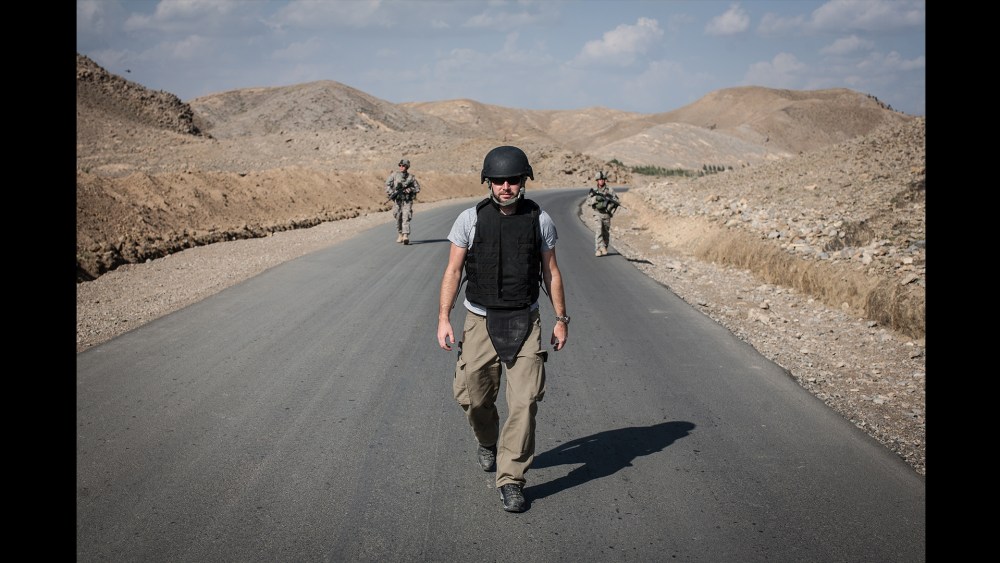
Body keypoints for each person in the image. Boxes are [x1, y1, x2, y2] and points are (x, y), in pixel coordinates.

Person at [437, 145, 569, 513]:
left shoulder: (540, 220)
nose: (506, 186)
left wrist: (561, 319)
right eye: (498, 181)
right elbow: (453, 271)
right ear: (489, 182)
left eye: (512, 180)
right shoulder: (469, 219)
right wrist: (444, 317)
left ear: (523, 181)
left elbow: (551, 273)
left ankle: (511, 479)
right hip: (479, 319)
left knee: (525, 402)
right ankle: (487, 440)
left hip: (526, 320)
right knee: (474, 398)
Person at [585, 171, 620, 256]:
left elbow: (617, 200)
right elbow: (588, 201)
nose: (601, 181)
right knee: (599, 230)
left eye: (602, 179)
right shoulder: (594, 190)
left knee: (606, 233)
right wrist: (596, 199)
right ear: (597, 180)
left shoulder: (610, 190)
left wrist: (610, 201)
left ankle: (604, 247)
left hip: (607, 214)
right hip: (597, 213)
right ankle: (598, 249)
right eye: (599, 179)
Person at [385, 158, 420, 244]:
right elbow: (387, 185)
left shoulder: (411, 177)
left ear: (407, 167)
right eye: (400, 165)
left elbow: (417, 188)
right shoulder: (394, 175)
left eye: (403, 165)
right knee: (398, 216)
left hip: (407, 200)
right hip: (398, 200)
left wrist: (410, 189)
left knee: (406, 216)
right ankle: (400, 234)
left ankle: (405, 235)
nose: (401, 167)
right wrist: (392, 193)